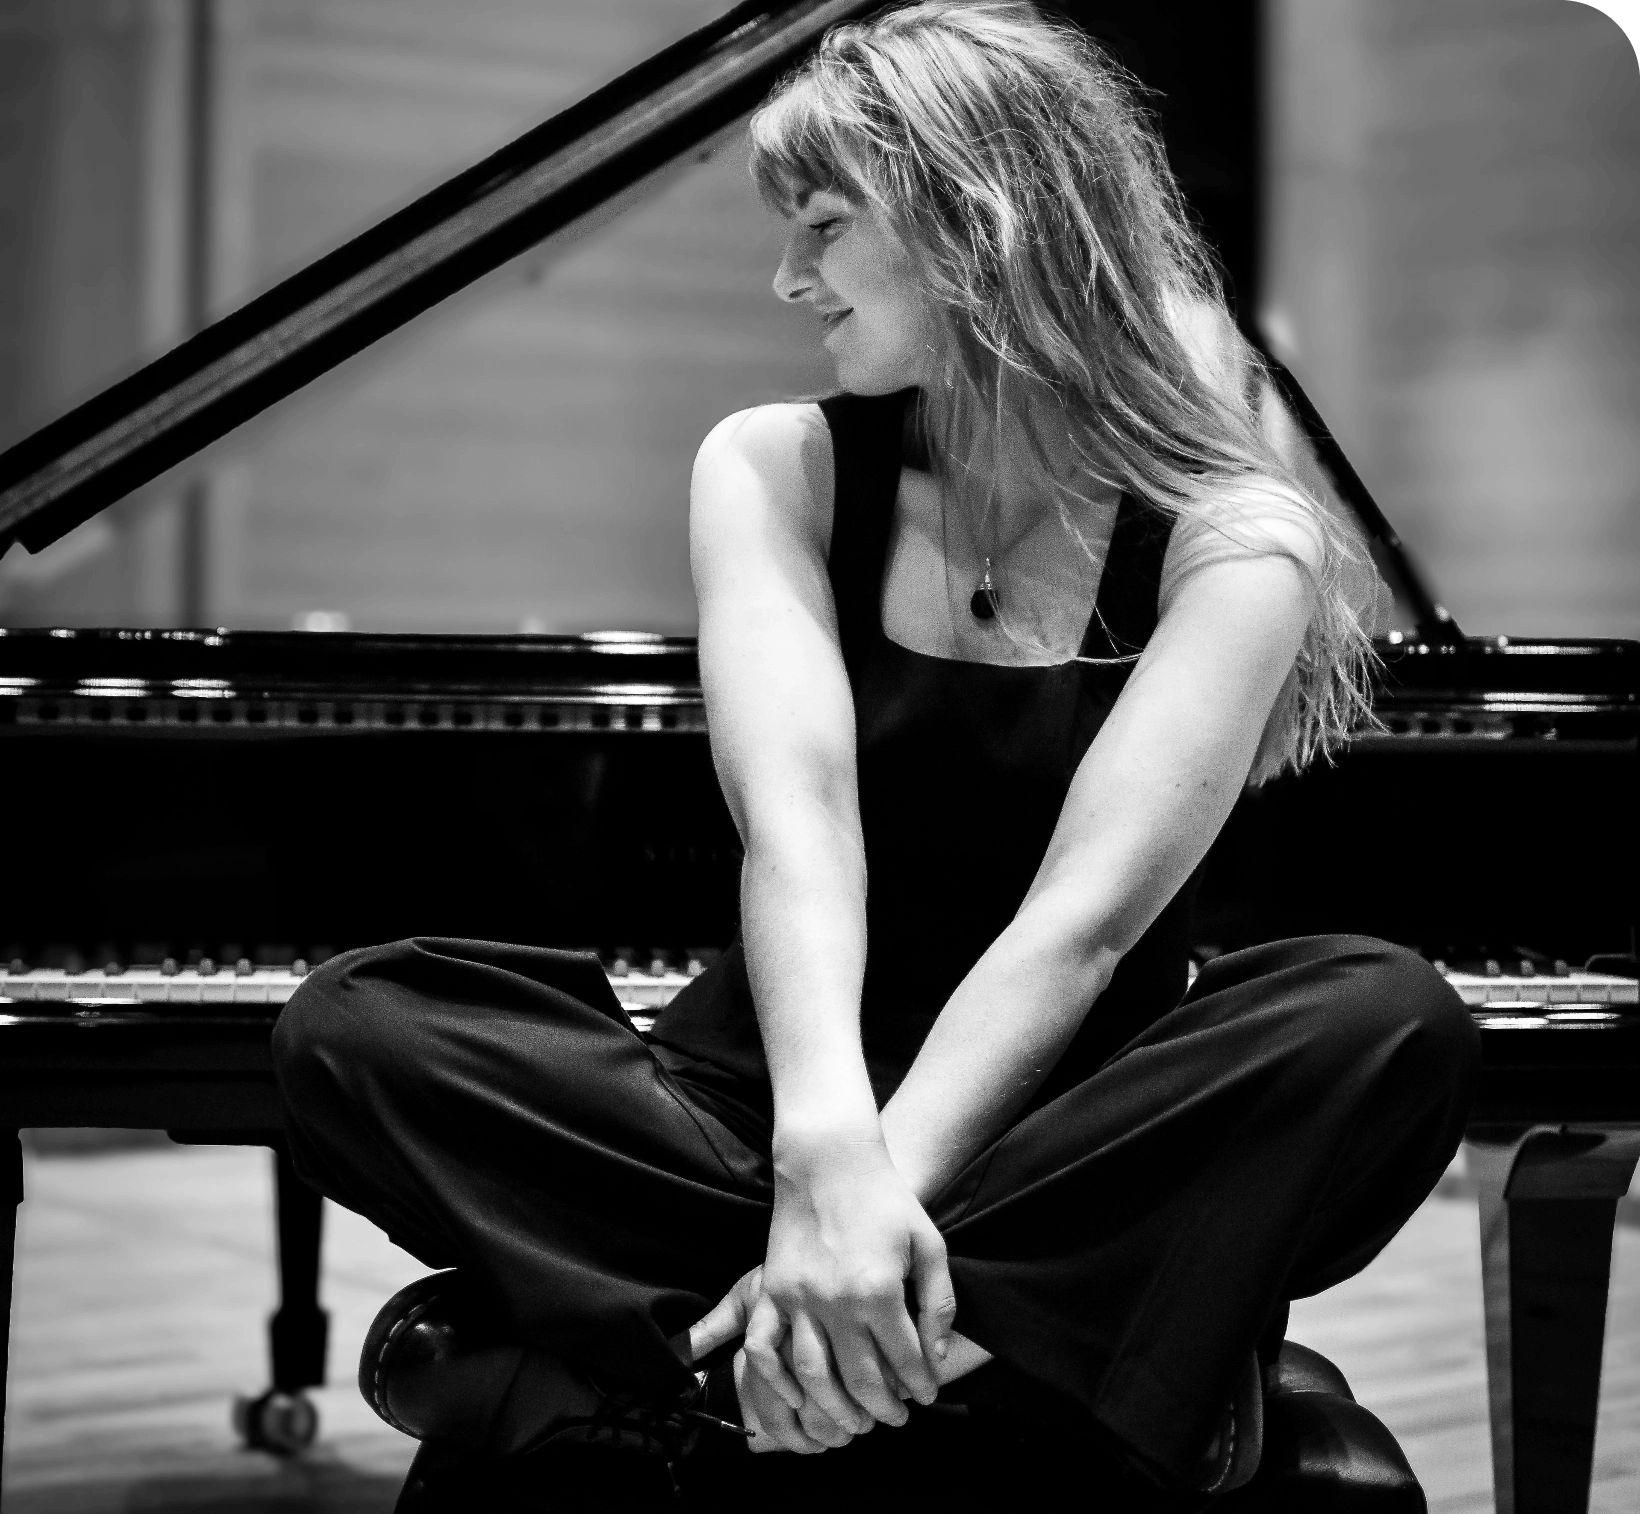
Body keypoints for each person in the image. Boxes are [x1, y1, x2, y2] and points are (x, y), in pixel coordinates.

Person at [273, 3, 1478, 1506]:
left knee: (1385, 1016)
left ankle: (689, 1384)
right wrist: (825, 1164)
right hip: (772, 1102)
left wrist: (864, 1207)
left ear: (982, 223)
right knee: (354, 1025)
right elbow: (801, 835)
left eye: (825, 226)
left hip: (1067, 1121)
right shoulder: (773, 464)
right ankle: (1007, 1364)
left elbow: (1080, 928)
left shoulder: (1237, 539)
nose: (789, 280)